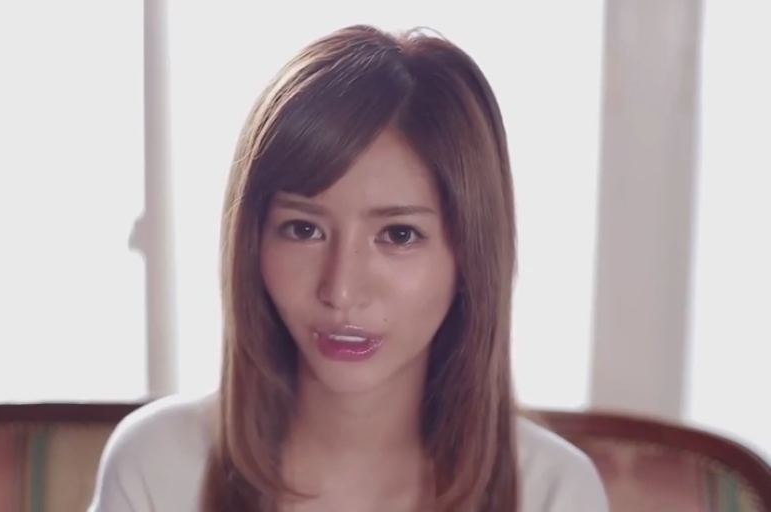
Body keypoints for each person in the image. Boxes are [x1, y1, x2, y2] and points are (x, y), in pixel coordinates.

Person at [88, 24, 609, 512]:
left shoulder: (553, 491)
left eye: (398, 235)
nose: (340, 291)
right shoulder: (157, 465)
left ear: (471, 255)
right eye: (303, 229)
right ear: (252, 241)